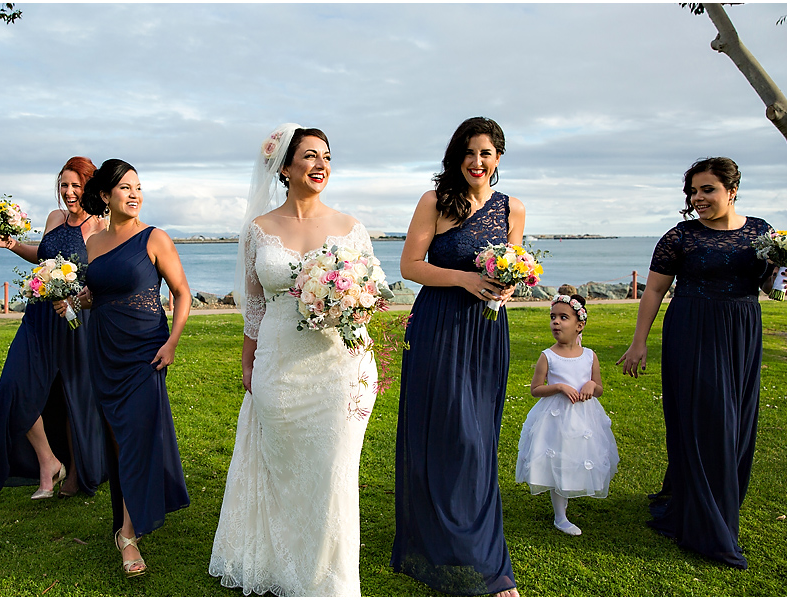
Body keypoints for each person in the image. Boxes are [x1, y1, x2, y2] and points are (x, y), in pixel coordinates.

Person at [209, 124, 377, 596]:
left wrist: (349, 301)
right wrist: (249, 363)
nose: (320, 164)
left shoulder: (351, 228)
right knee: (287, 469)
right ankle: (285, 567)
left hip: (342, 367)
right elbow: (256, 305)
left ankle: (333, 581)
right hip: (279, 365)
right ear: (284, 167)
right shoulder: (259, 231)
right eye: (309, 156)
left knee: (335, 472)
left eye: (326, 156)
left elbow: (372, 294)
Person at [617, 157, 782, 569]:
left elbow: (771, 288)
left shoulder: (762, 232)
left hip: (742, 331)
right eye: (693, 191)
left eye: (706, 189)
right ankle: (707, 523)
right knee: (706, 421)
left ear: (732, 189)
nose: (697, 199)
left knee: (737, 423)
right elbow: (654, 291)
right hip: (691, 330)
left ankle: (716, 501)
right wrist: (639, 343)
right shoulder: (680, 237)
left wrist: (782, 268)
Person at [392, 117, 525, 596]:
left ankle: (480, 546)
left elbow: (514, 266)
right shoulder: (434, 201)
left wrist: (508, 288)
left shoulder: (514, 209)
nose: (477, 161)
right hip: (438, 327)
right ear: (457, 156)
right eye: (469, 153)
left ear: (498, 158)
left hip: (486, 331)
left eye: (486, 153)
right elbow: (410, 266)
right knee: (446, 431)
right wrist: (467, 279)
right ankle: (437, 536)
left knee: (478, 437)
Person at [0, 157, 108, 500]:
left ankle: (77, 472)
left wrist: (77, 299)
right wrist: (13, 245)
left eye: (77, 185)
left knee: (74, 397)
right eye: (64, 185)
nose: (69, 192)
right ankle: (48, 460)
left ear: (90, 187)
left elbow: (104, 276)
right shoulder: (53, 218)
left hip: (76, 320)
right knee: (15, 384)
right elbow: (43, 257)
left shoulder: (101, 227)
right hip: (38, 315)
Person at [77, 159, 191, 577]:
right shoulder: (92, 243)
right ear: (106, 195)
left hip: (146, 351)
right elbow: (97, 294)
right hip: (104, 349)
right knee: (121, 440)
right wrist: (76, 301)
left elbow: (181, 293)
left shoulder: (154, 237)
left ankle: (127, 535)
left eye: (138, 187)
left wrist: (172, 342)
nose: (134, 194)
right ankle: (129, 516)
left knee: (140, 435)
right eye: (124, 187)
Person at [515, 294, 619, 536]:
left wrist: (592, 386)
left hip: (584, 419)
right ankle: (560, 516)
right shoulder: (548, 356)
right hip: (555, 418)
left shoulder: (589, 355)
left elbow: (599, 387)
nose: (556, 323)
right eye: (553, 318)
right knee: (558, 460)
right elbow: (536, 389)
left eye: (564, 318)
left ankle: (569, 496)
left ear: (579, 325)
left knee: (577, 457)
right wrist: (559, 387)